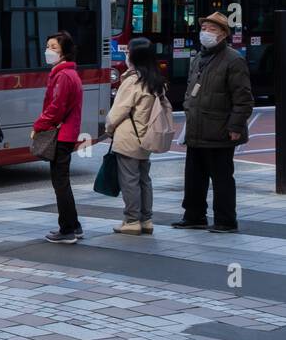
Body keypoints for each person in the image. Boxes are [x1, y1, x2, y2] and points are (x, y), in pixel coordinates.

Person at [174, 12, 253, 233]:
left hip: (220, 130)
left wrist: (235, 126)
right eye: (204, 28)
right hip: (196, 128)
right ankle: (194, 216)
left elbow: (243, 98)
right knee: (193, 176)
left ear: (223, 34)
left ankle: (226, 220)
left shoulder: (233, 59)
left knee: (222, 179)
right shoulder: (200, 57)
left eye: (212, 29)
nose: (206, 33)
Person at [105, 38, 166, 235]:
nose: (126, 55)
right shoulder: (156, 81)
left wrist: (109, 129)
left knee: (129, 181)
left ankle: (131, 221)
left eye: (128, 52)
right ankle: (146, 220)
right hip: (146, 137)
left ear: (134, 56)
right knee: (144, 180)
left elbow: (117, 112)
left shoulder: (132, 81)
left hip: (128, 138)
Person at [35, 31, 84, 244]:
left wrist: (39, 124)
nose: (49, 50)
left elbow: (57, 107)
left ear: (64, 52)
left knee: (60, 183)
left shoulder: (64, 75)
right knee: (62, 182)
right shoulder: (67, 73)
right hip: (67, 132)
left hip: (62, 134)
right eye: (48, 46)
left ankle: (67, 230)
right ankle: (74, 225)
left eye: (53, 47)